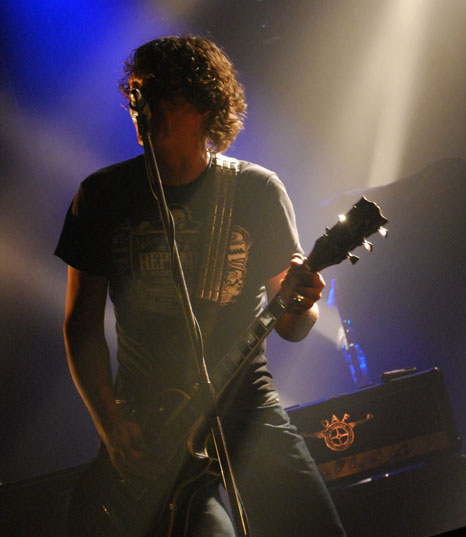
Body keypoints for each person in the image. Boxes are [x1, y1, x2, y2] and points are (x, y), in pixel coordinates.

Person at [56, 35, 346, 536]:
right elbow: (81, 327)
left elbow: (292, 327)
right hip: (149, 425)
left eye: (159, 92)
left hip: (246, 404)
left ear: (204, 104)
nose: (142, 105)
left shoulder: (256, 189)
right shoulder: (101, 196)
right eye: (136, 92)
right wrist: (110, 424)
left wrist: (301, 305)